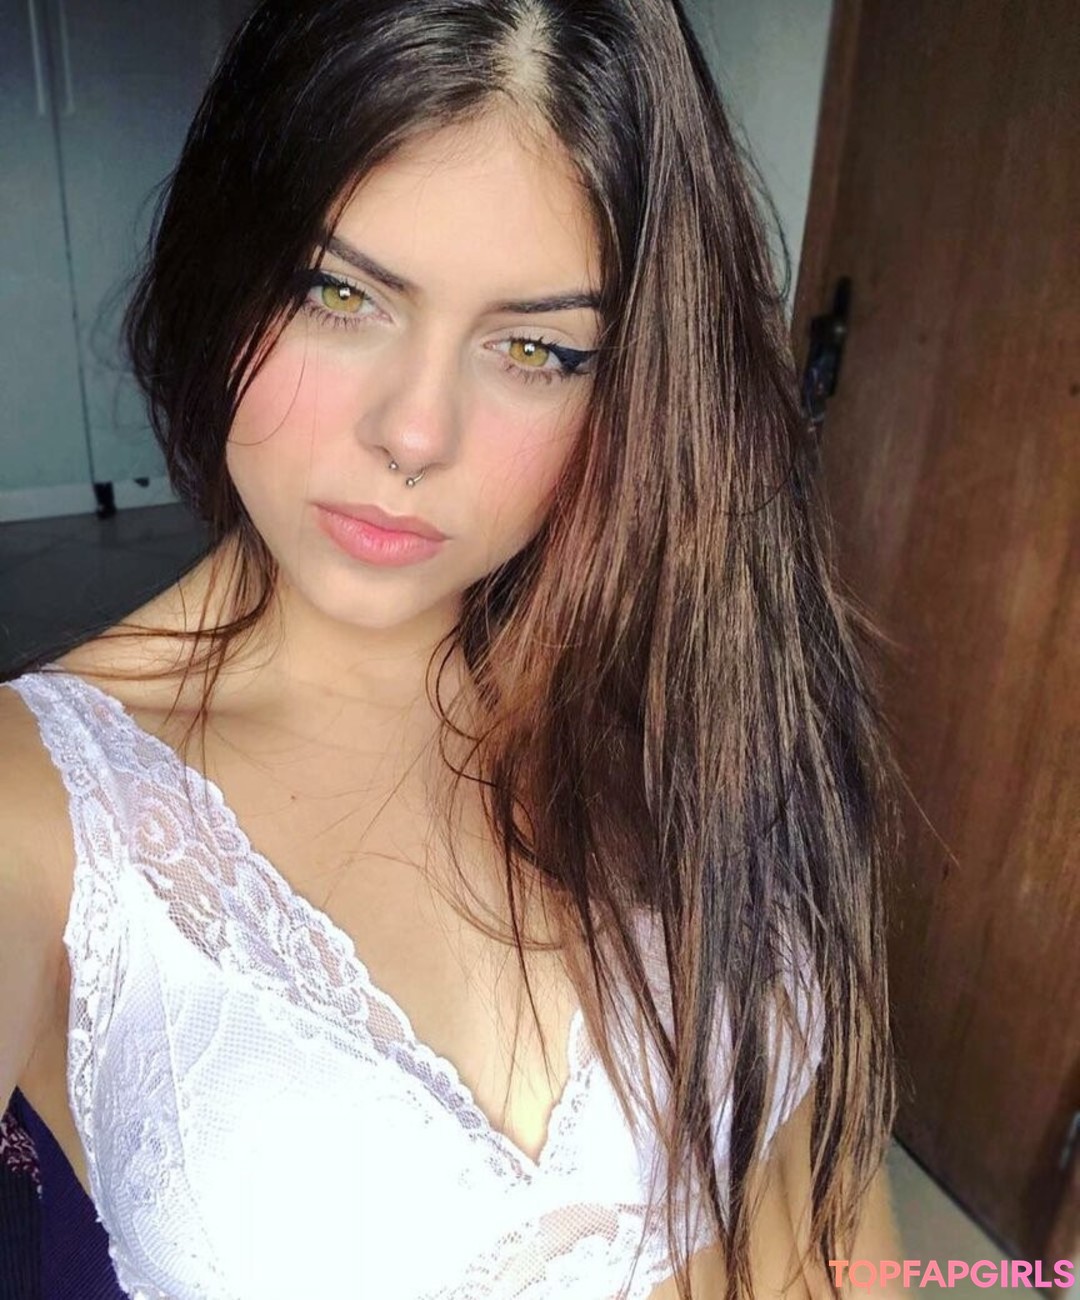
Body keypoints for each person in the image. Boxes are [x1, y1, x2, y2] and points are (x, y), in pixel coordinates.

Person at [0, 1, 906, 1296]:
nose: (415, 432)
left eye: (535, 348)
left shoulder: (712, 698)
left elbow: (829, 1232)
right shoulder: (39, 806)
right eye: (338, 292)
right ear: (224, 267)